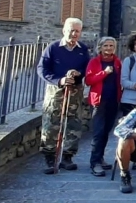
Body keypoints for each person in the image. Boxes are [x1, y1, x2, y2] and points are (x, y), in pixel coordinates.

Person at [36, 17, 90, 174]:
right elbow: (42, 69)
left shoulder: (83, 49)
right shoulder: (53, 48)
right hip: (56, 90)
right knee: (51, 121)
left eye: (77, 31)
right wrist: (59, 80)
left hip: (75, 90)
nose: (74, 34)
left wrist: (78, 74)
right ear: (64, 30)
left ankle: (67, 157)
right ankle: (50, 157)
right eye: (71, 30)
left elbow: (86, 67)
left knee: (74, 122)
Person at [85, 36, 122, 176]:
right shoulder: (94, 62)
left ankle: (100, 158)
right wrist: (104, 73)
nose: (108, 48)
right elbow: (88, 80)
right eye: (105, 46)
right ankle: (94, 163)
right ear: (100, 47)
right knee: (98, 133)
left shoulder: (117, 62)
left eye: (111, 46)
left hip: (113, 101)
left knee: (106, 132)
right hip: (99, 102)